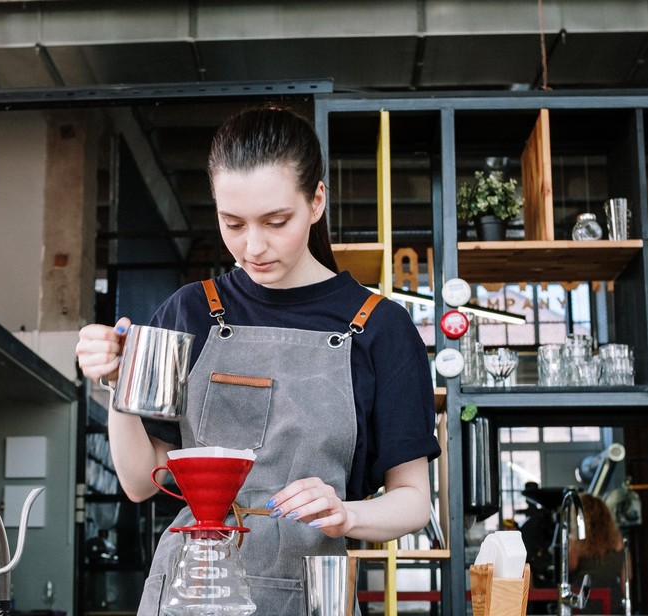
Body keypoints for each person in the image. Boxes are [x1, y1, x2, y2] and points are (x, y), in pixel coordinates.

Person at [76, 106, 442, 615]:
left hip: (314, 592)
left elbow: (412, 499)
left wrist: (347, 515)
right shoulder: (189, 310)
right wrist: (115, 383)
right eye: (233, 223)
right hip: (190, 590)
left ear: (316, 202)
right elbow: (141, 482)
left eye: (276, 222)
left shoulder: (382, 327)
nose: (253, 247)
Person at [568, 493, 626, 614]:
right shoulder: (619, 540)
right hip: (612, 598)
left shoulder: (577, 541)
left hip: (585, 598)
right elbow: (627, 576)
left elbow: (571, 566)